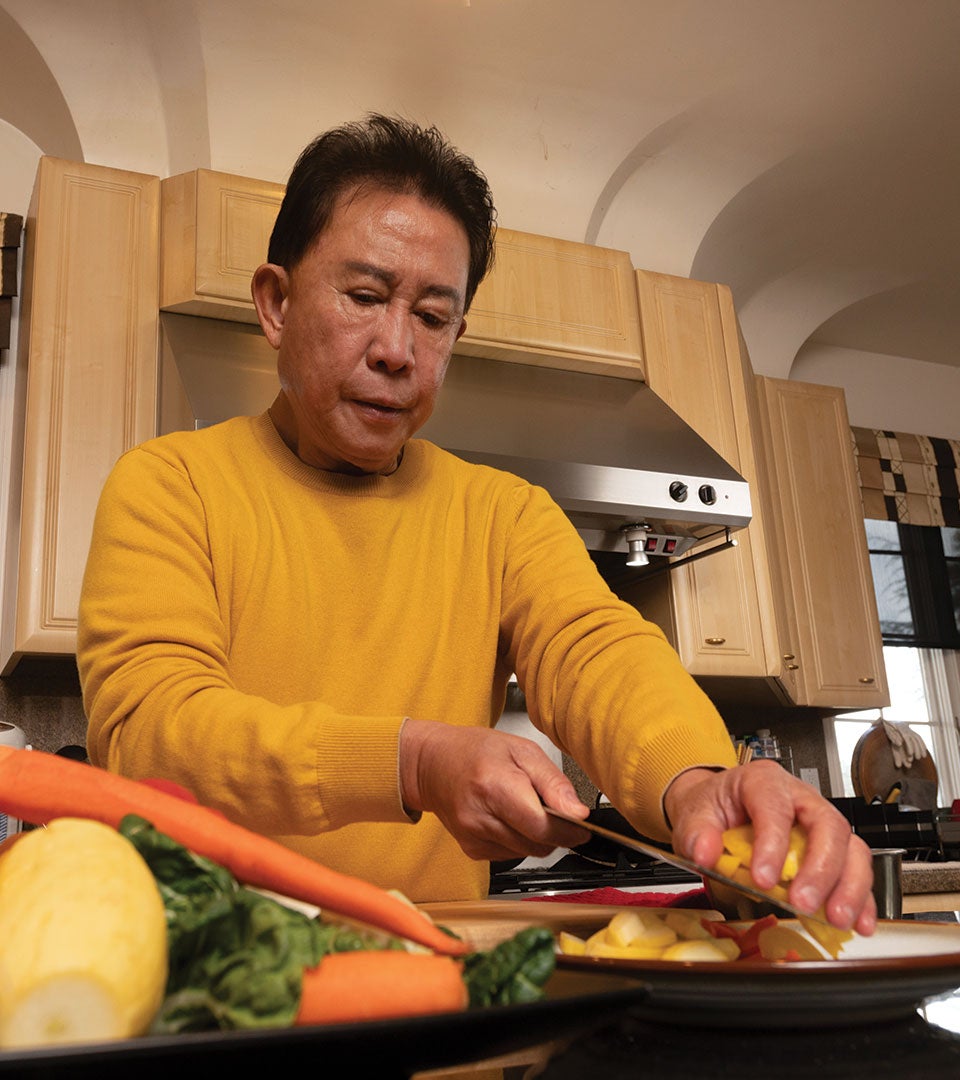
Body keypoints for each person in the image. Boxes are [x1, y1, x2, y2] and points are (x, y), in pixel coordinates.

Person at [77, 114, 875, 934]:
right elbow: (151, 732)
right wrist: (413, 761)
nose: (397, 349)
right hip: (217, 987)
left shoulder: (503, 514)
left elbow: (595, 651)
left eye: (432, 317)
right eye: (364, 297)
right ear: (276, 303)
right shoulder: (172, 487)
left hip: (439, 987)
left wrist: (697, 782)